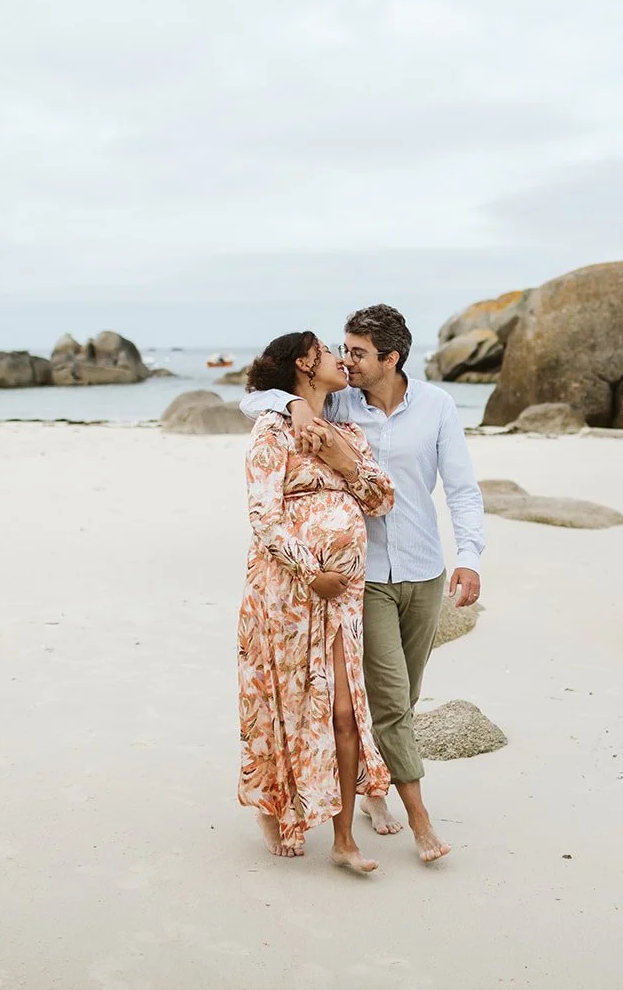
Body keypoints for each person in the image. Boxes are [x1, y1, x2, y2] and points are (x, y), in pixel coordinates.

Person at [241, 304, 484, 864]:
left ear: (390, 359)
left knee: (400, 697)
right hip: (350, 584)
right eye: (338, 351)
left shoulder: (430, 408)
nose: (346, 360)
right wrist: (294, 402)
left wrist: (469, 555)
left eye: (356, 352)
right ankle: (410, 817)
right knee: (359, 701)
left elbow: (449, 490)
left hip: (421, 570)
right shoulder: (320, 407)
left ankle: (371, 789)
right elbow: (257, 395)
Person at [237, 331, 396, 873]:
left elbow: (380, 501)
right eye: (329, 352)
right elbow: (263, 518)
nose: (339, 359)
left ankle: (344, 840)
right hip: (285, 591)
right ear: (305, 365)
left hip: (342, 595)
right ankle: (275, 806)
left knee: (345, 710)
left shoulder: (346, 431)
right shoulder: (271, 430)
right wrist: (311, 572)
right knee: (285, 701)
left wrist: (344, 460)